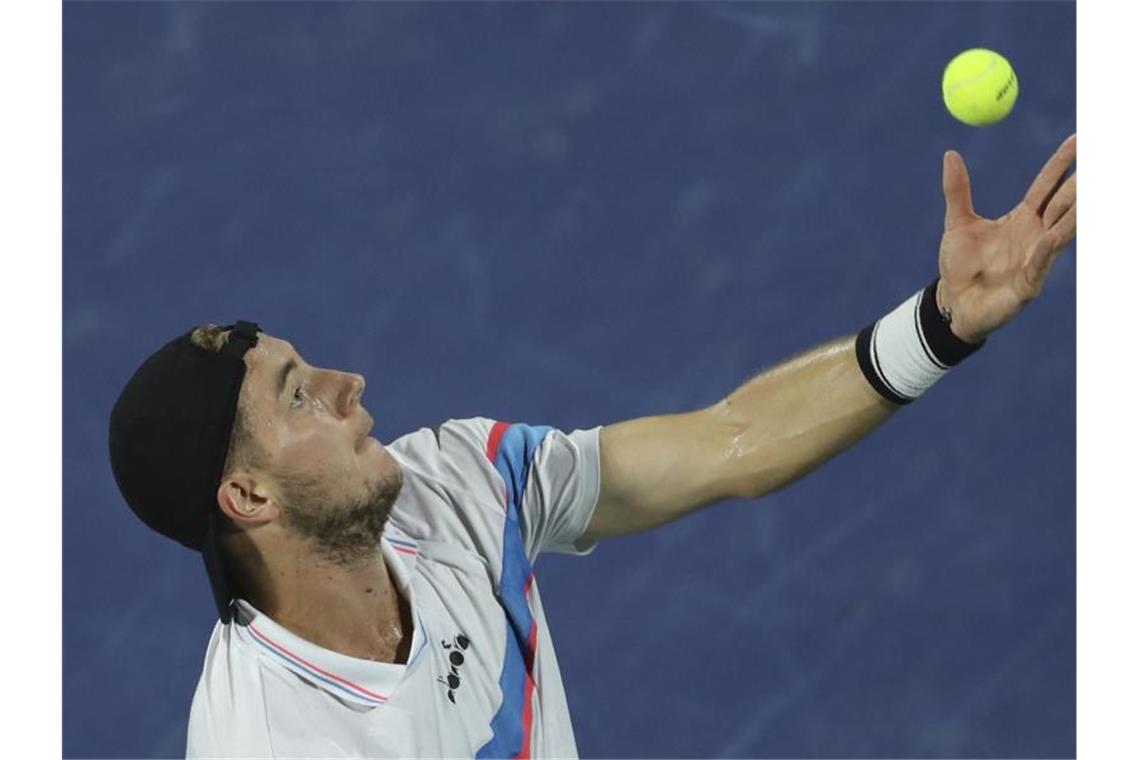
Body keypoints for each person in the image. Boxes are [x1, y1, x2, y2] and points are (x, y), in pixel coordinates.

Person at [108, 135, 1076, 758]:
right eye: (299, 395)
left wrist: (942, 324)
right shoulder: (278, 743)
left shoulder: (458, 481)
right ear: (249, 496)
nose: (347, 384)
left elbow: (729, 441)